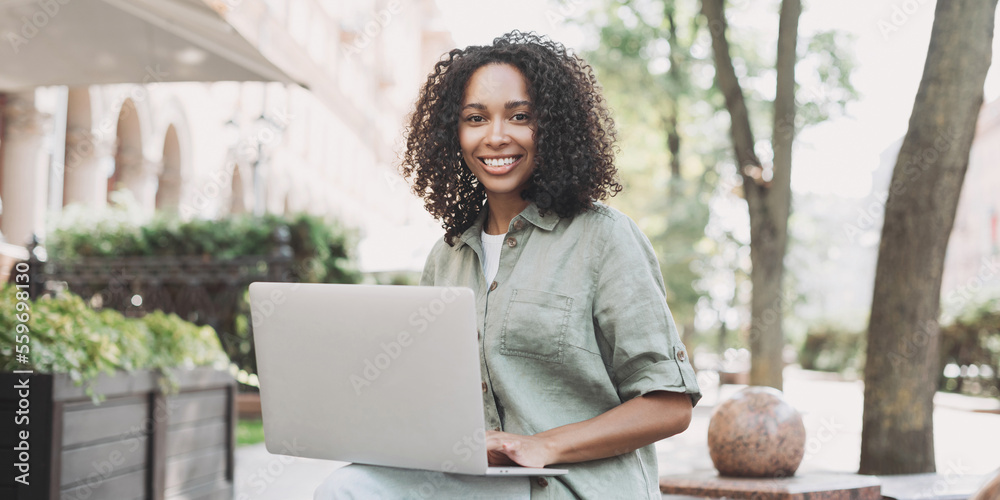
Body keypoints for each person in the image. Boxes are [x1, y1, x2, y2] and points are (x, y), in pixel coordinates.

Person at [315, 30, 701, 499]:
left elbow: (670, 405)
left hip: (573, 486)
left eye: (520, 117)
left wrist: (542, 445)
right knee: (350, 486)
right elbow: (434, 399)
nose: (496, 136)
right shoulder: (448, 255)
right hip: (481, 482)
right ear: (452, 134)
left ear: (553, 128)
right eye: (475, 119)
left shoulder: (604, 238)